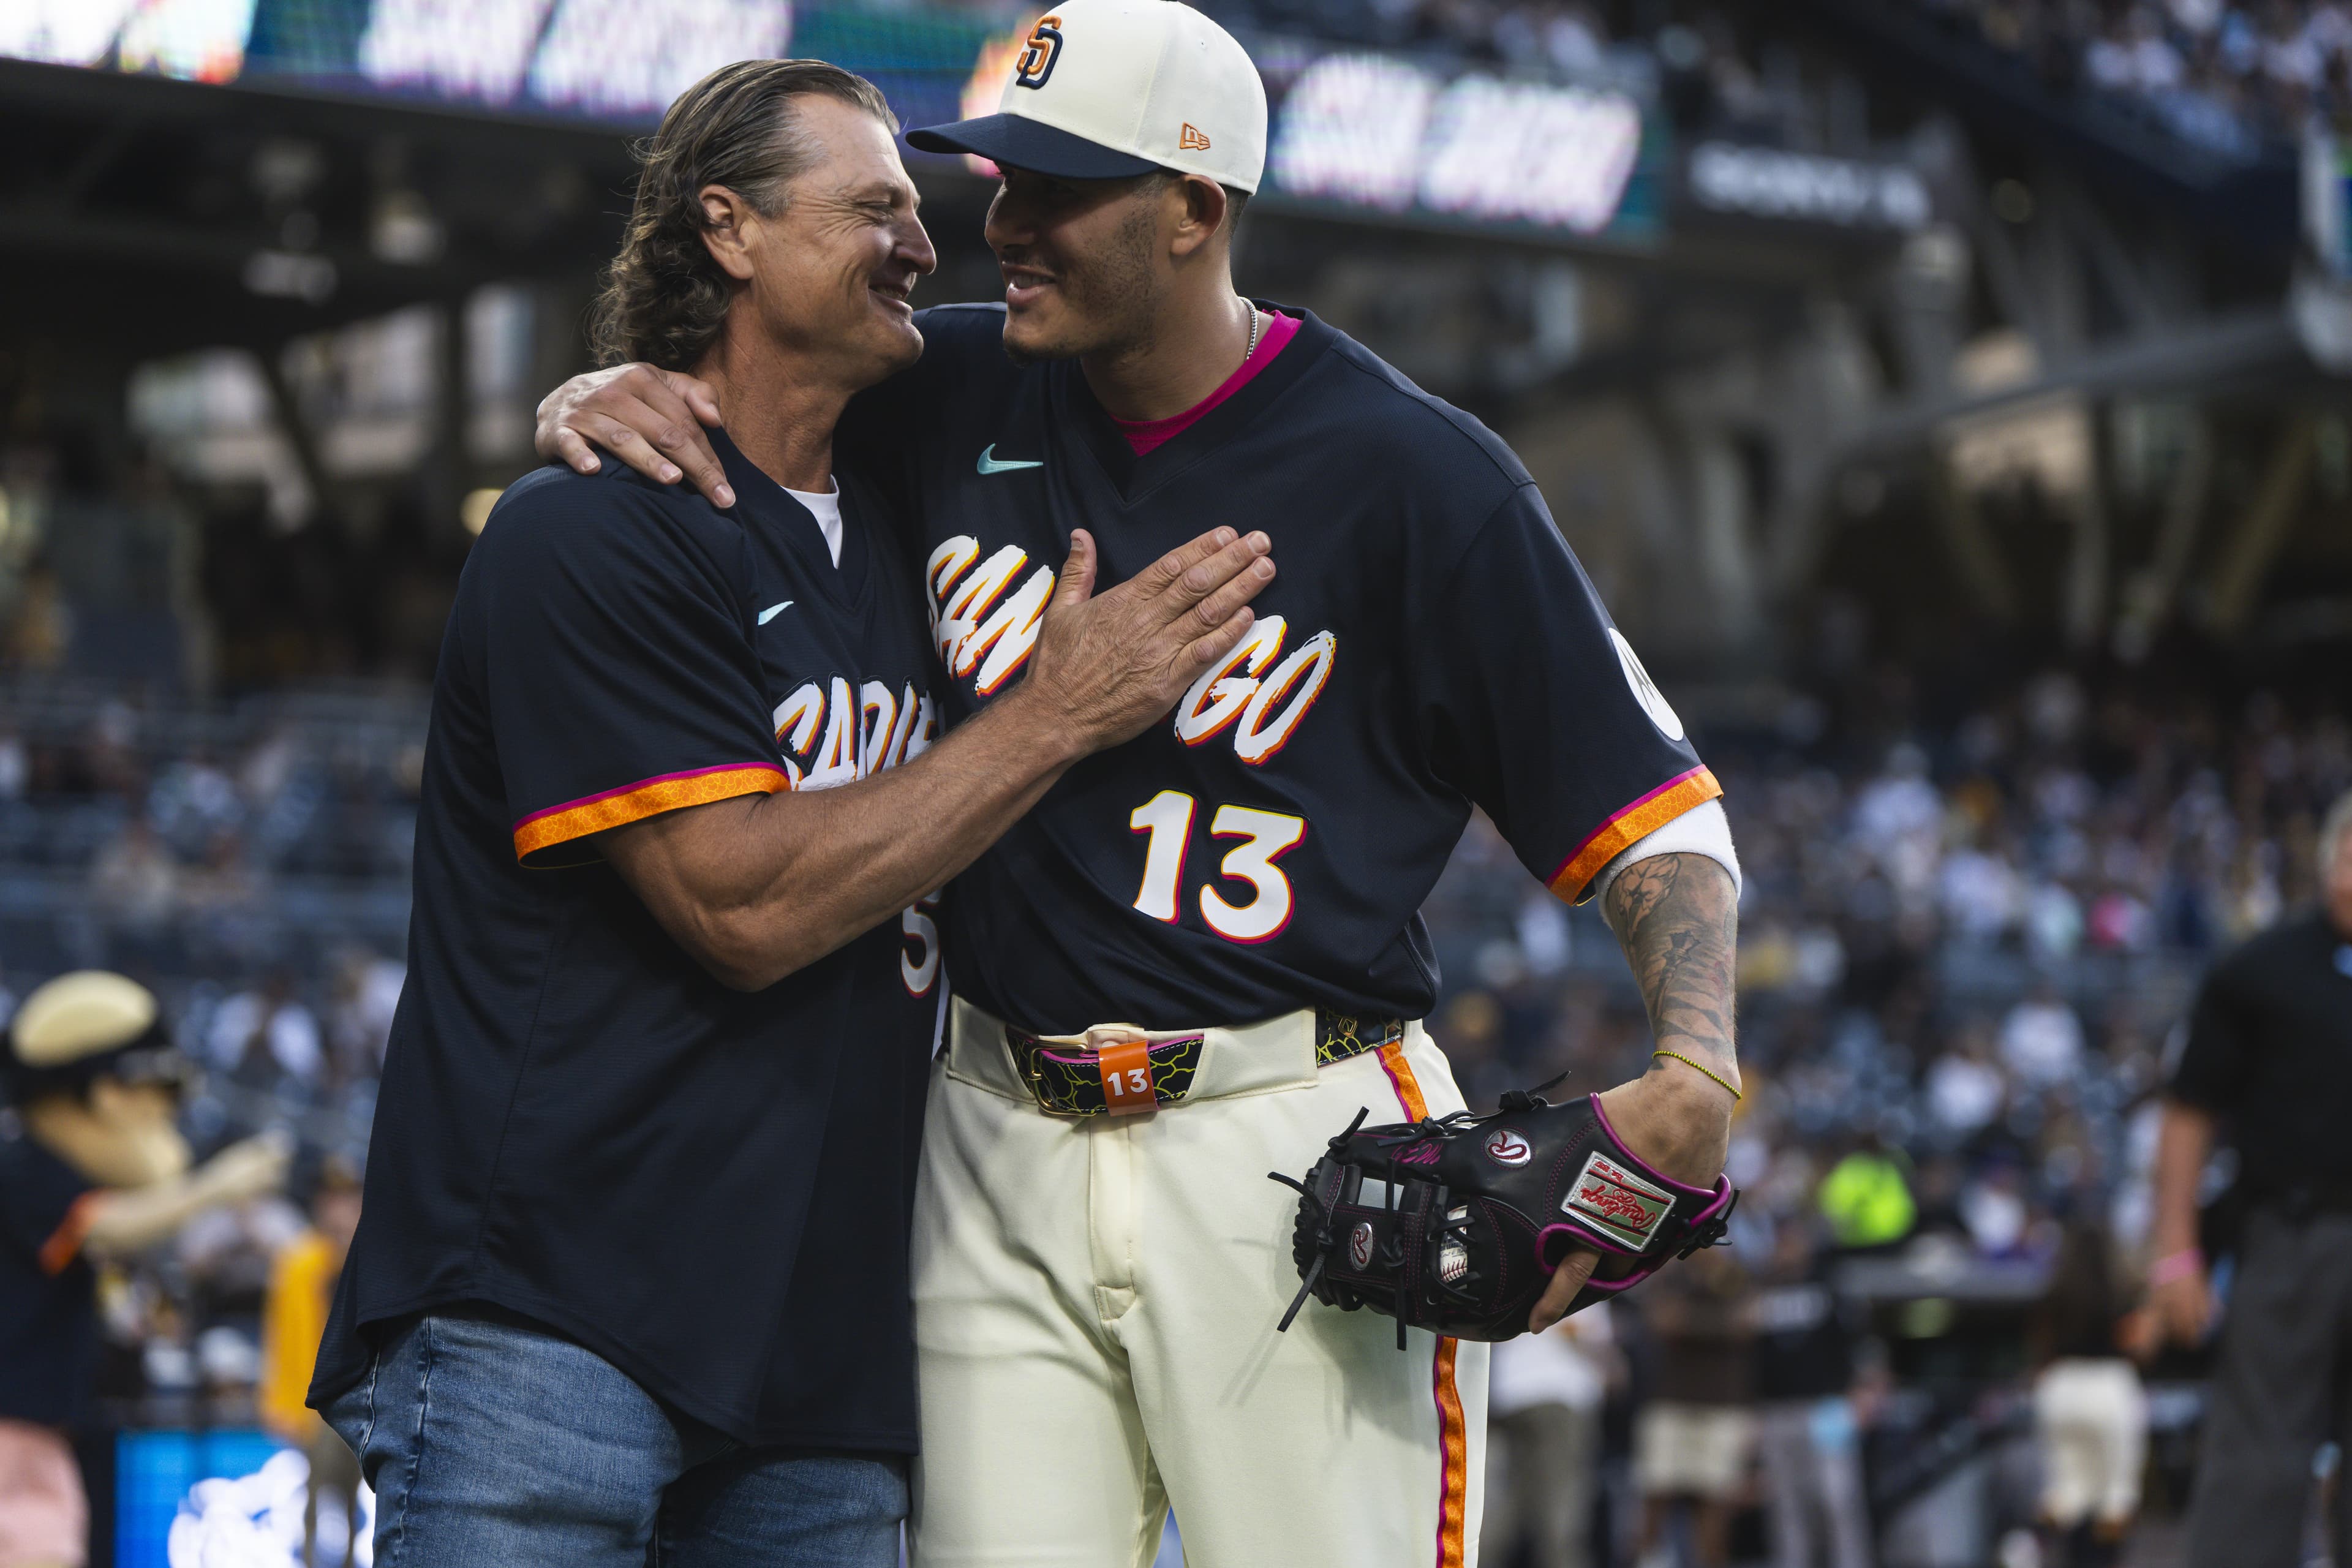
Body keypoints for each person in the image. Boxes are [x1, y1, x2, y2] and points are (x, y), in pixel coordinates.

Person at [536, 9, 1746, 1562]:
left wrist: (1697, 1065)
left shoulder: (1414, 476)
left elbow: (1655, 812)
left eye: (1059, 187)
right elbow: (739, 388)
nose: (1002, 222)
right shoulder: (938, 386)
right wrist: (600, 391)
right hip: (983, 1129)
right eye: (999, 174)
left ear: (1194, 209)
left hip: (1286, 1134)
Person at [304, 59, 1275, 1567]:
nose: (922, 241)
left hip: (828, 1356)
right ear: (728, 229)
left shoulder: (905, 531)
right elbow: (740, 908)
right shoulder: (594, 528)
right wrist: (1064, 712)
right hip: (551, 1318)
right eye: (875, 205)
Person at [1, 971, 288, 1568]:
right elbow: (109, 1223)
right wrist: (217, 1186)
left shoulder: (64, 1170)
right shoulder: (24, 1159)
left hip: (53, 1425)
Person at [2151, 788, 2352, 1568]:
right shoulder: (2260, 969)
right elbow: (2187, 1111)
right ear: (2328, 860)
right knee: (2257, 1467)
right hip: (2290, 1236)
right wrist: (2174, 1251)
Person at [2028, 1212, 2150, 1568]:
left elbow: (2040, 1347)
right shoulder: (2124, 1291)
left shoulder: (2055, 1292)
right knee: (2114, 1500)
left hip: (2060, 1388)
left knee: (2068, 1494)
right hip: (2110, 1387)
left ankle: (2030, 1542)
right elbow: (2139, 1346)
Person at [1751, 1220, 1875, 1568]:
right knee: (1786, 1503)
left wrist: (1861, 1392)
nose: (1788, 1251)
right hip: (1776, 1410)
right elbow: (1756, 1359)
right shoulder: (1763, 1289)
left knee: (1838, 1499)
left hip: (1827, 1407)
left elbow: (1856, 1344)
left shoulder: (1828, 1285)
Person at [259, 1157, 364, 1568]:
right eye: (333, 1199)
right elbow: (281, 1338)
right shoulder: (299, 1260)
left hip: (361, 1398)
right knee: (314, 1498)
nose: (340, 1210)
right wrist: (280, 1404)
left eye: (349, 1199)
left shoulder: (370, 1259)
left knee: (358, 1498)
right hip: (314, 1404)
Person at [1631, 1248, 1756, 1568]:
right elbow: (1662, 1320)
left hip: (1722, 1406)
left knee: (1715, 1504)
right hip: (1670, 1403)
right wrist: (1719, 1324)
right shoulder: (1671, 1272)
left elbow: (1747, 1323)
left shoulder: (1740, 1275)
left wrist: (1690, 1321)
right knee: (1654, 1499)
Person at [1482, 1302, 1618, 1568]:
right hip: (1560, 1398)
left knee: (1507, 1502)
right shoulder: (1585, 1273)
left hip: (1509, 1396)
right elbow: (1587, 1338)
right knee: (1563, 1504)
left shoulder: (1509, 1268)